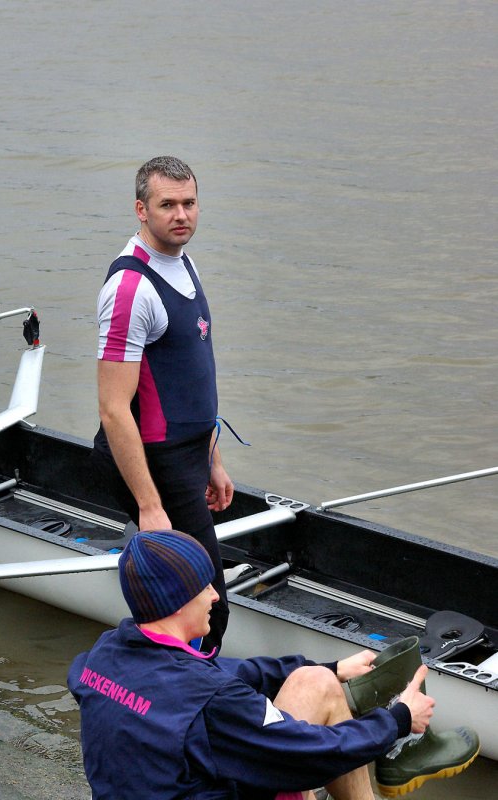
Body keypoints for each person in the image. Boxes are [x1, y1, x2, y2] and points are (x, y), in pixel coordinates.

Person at [68, 529, 437, 800]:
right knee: (304, 758)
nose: (215, 596)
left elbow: (222, 673)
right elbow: (318, 751)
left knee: (315, 681)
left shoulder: (101, 657)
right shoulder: (213, 702)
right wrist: (399, 719)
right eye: (205, 587)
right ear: (178, 601)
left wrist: (332, 667)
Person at [90, 156, 233, 648]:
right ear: (140, 209)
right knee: (208, 608)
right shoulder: (131, 289)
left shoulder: (182, 261)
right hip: (158, 464)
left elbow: (189, 380)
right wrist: (149, 507)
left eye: (189, 203)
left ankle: (183, 692)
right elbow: (113, 409)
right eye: (166, 204)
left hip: (190, 456)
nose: (181, 215)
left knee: (197, 606)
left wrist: (213, 460)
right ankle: (187, 706)